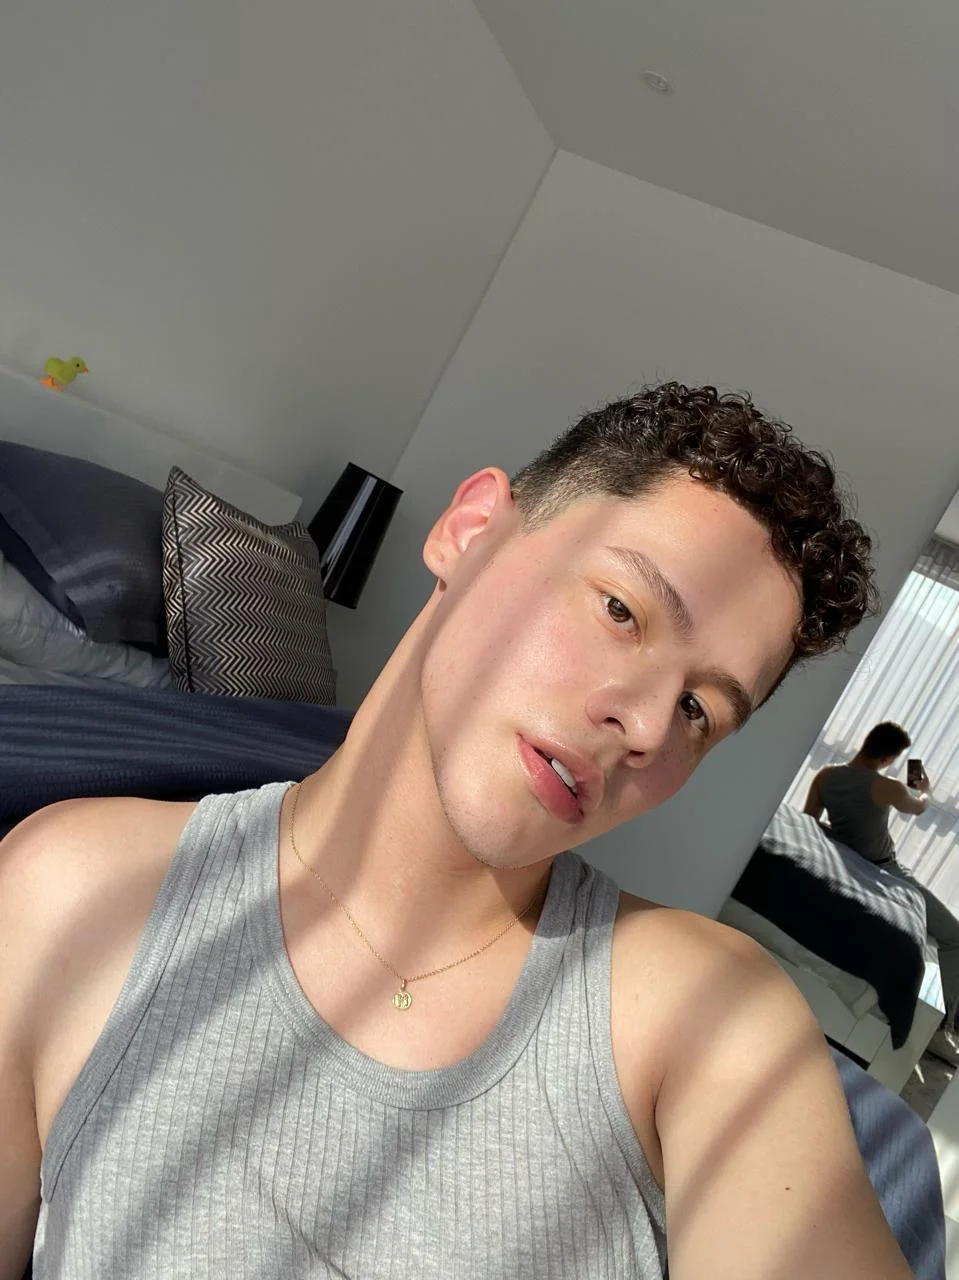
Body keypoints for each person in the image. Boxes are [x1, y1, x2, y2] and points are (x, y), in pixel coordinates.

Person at [0, 383, 916, 1280]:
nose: (644, 725)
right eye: (620, 609)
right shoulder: (72, 889)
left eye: (695, 710)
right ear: (471, 531)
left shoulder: (708, 1015)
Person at [805, 720, 959, 1064]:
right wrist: (924, 789)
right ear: (889, 757)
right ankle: (948, 1027)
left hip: (850, 862)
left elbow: (810, 822)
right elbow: (918, 807)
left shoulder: (825, 777)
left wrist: (844, 838)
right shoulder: (885, 786)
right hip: (886, 871)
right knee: (954, 938)